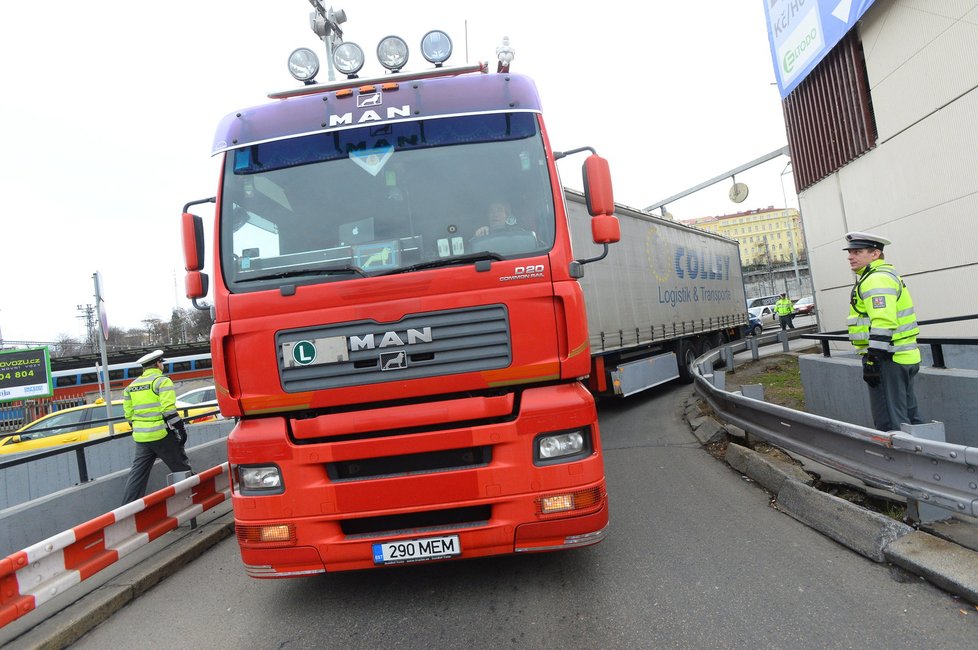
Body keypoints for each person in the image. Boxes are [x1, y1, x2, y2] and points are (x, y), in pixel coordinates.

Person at [843, 231, 924, 432]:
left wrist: (873, 359)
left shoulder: (876, 279)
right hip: (902, 356)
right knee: (909, 417)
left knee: (891, 422)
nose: (850, 256)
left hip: (888, 358)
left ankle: (902, 462)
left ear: (875, 254)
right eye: (850, 252)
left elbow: (883, 321)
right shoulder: (884, 275)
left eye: (857, 251)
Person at [120, 350, 192, 505]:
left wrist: (140, 427)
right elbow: (168, 410)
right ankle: (194, 501)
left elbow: (129, 415)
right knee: (180, 467)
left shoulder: (131, 387)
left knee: (137, 475)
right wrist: (180, 428)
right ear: (158, 364)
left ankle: (127, 509)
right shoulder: (162, 381)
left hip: (141, 437)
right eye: (162, 363)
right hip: (161, 435)